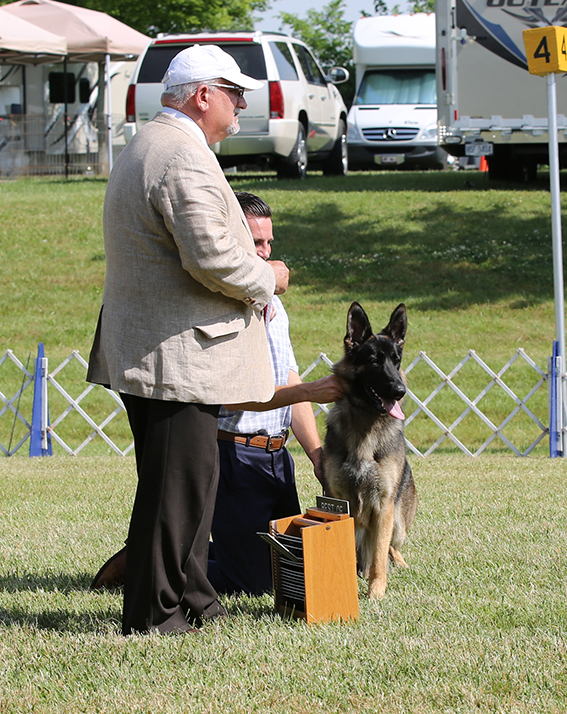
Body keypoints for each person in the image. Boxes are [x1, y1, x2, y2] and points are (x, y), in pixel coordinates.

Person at [87, 44, 290, 635]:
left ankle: (196, 599)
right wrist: (269, 278)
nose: (242, 104)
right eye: (235, 92)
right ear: (204, 95)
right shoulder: (182, 155)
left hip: (156, 347)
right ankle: (156, 616)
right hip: (175, 355)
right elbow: (213, 258)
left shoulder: (151, 144)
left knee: (190, 483)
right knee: (176, 490)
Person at [208, 191, 343, 596]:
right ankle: (152, 560)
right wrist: (310, 390)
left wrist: (317, 456)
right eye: (256, 243)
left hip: (277, 458)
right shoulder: (221, 306)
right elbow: (235, 397)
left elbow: (289, 380)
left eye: (269, 242)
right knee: (250, 585)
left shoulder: (275, 306)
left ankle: (193, 553)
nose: (266, 253)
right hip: (233, 455)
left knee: (290, 571)